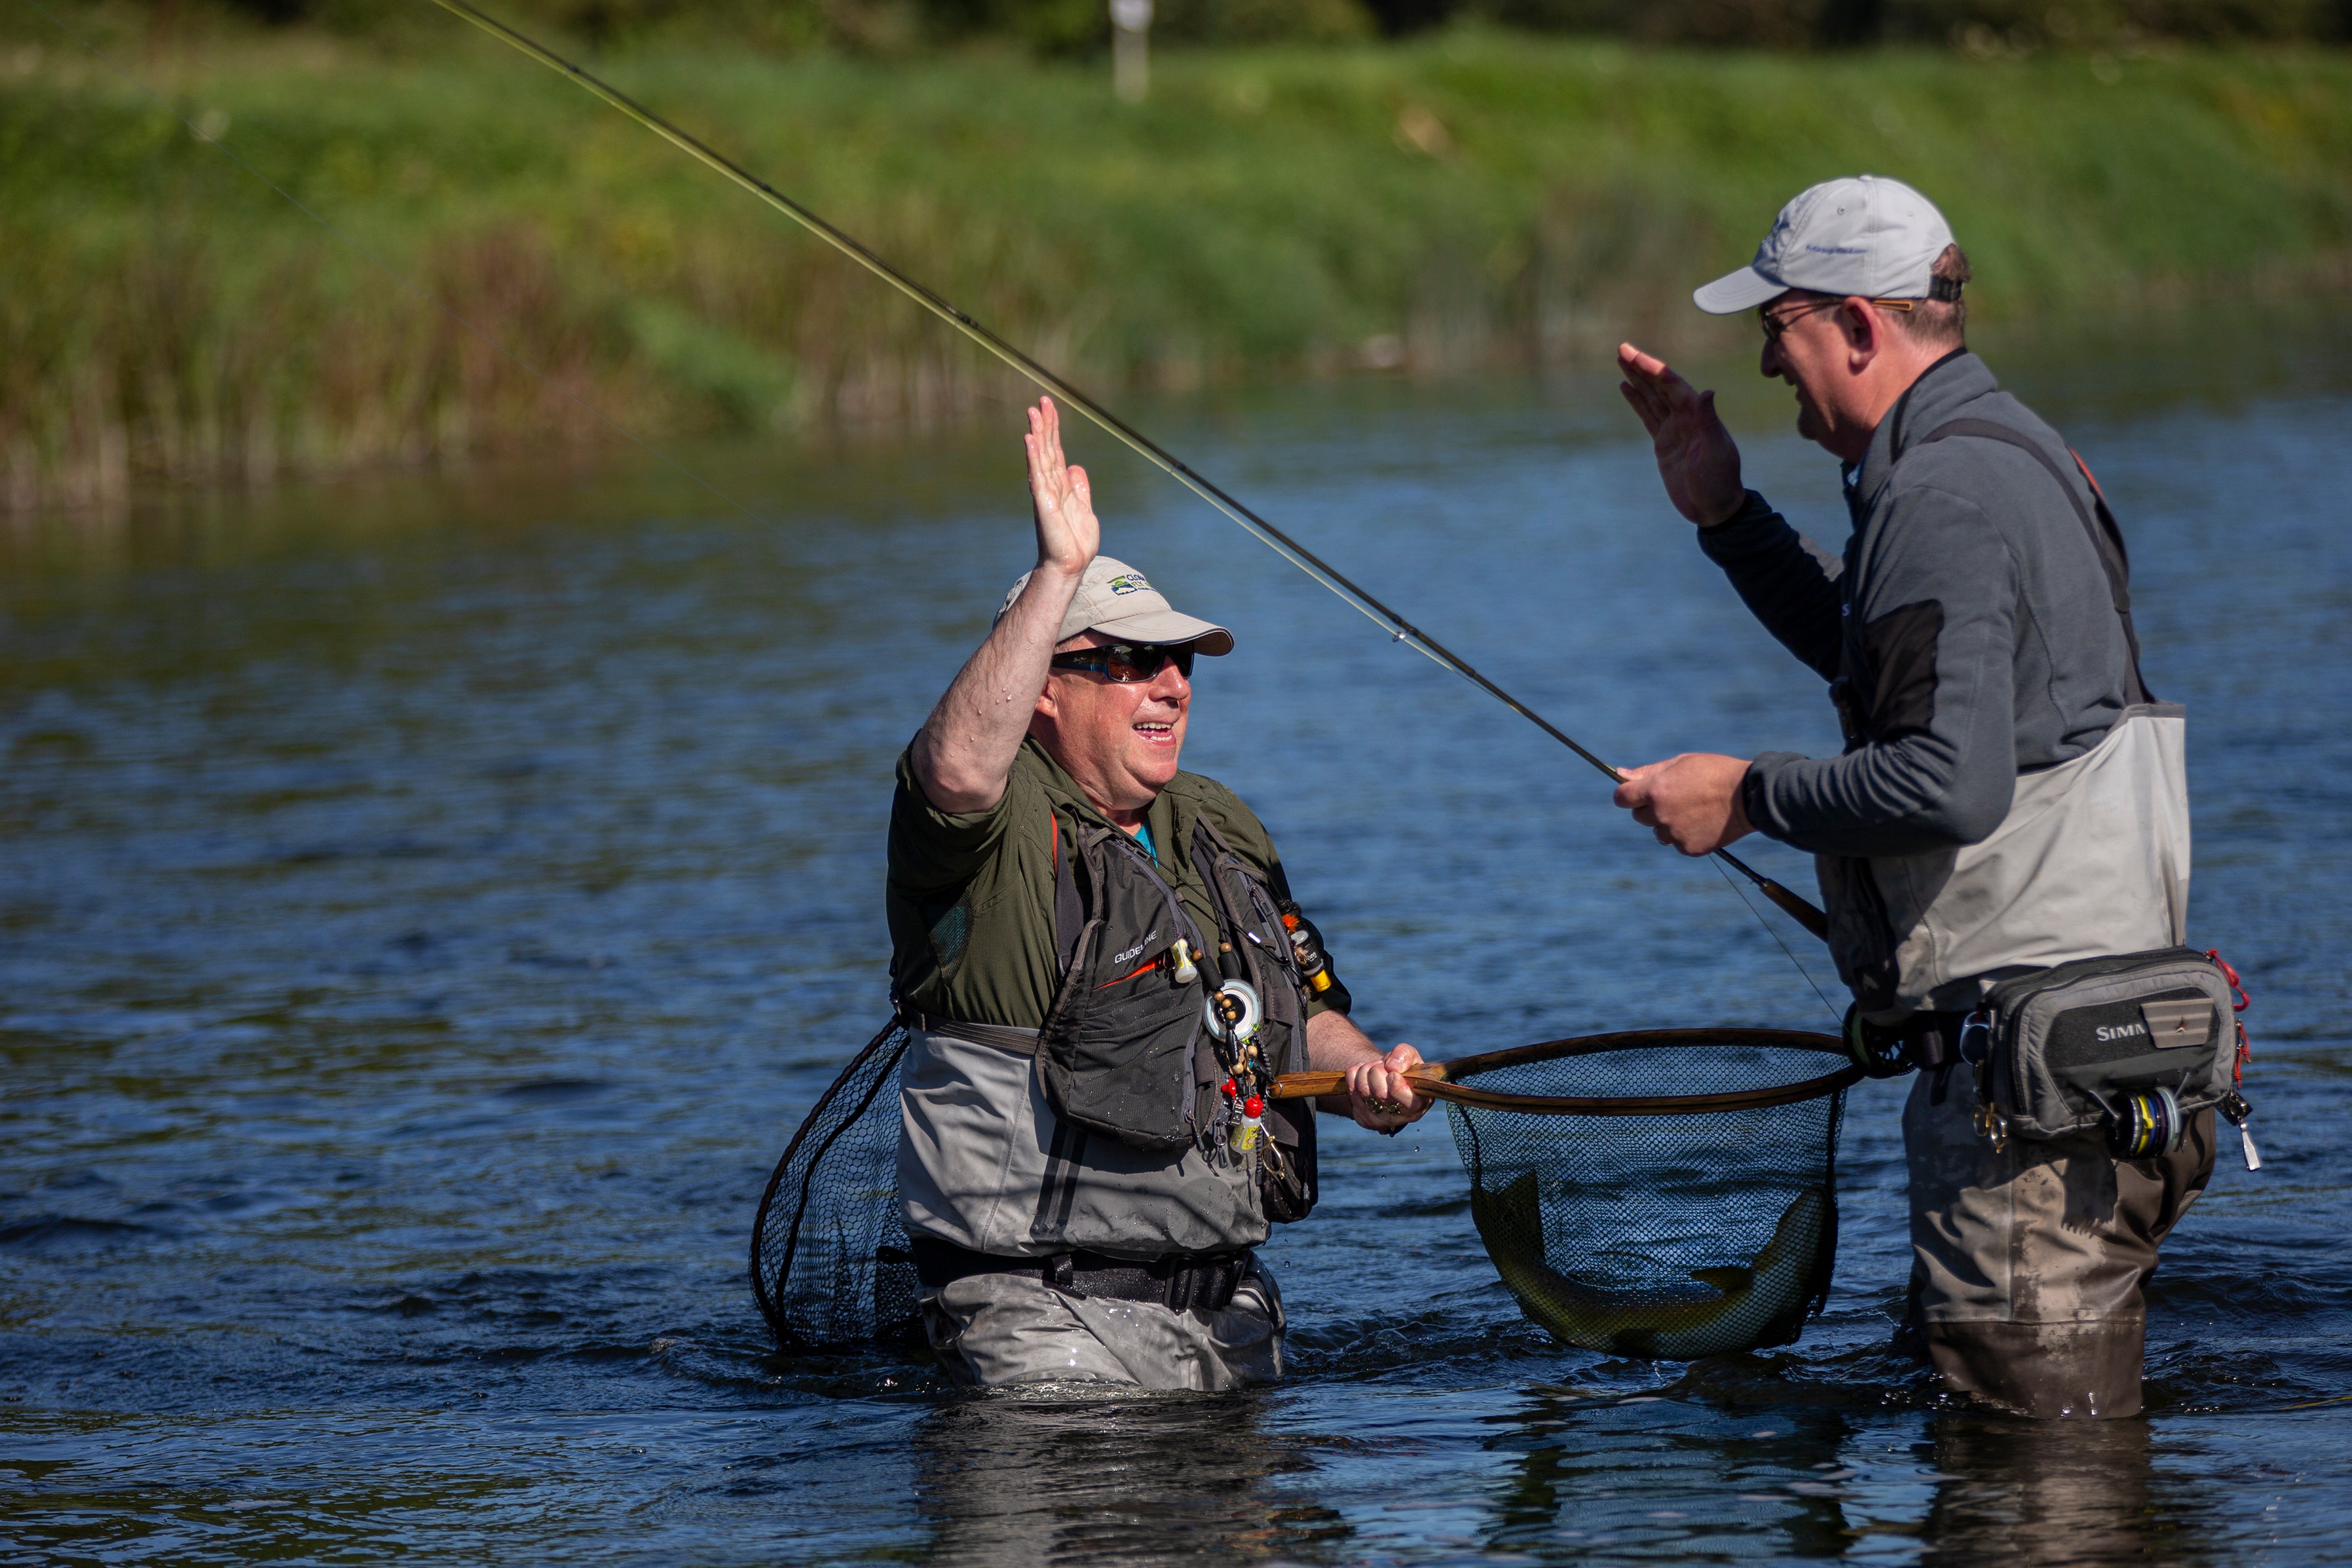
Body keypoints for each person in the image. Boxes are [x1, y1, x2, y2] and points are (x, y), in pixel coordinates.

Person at [1609, 175, 2209, 1417]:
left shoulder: (1935, 491)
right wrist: (1726, 515)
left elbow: (1947, 777)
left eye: (1779, 329)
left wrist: (1752, 794)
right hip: (2110, 1059)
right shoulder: (2013, 452)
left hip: (2029, 1108)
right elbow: (1878, 655)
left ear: (1862, 325)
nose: (1767, 362)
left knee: (2036, 1505)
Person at [887, 395, 1432, 1391]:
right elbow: (957, 769)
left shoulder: (1218, 822)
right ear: (1045, 683)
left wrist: (1372, 1080)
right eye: (1131, 660)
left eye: (1179, 660)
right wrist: (1057, 576)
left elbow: (1297, 1012)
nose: (1173, 684)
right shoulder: (993, 822)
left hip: (1231, 1313)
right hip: (1040, 1323)